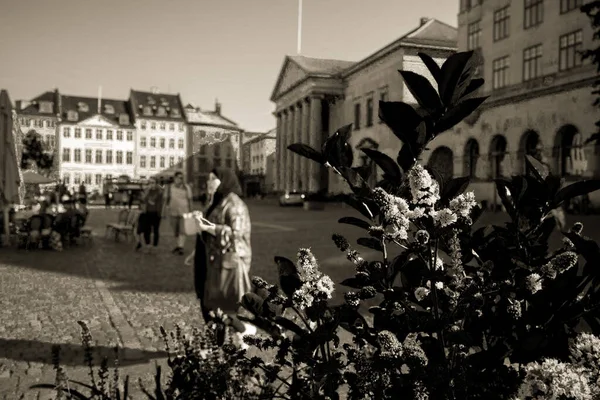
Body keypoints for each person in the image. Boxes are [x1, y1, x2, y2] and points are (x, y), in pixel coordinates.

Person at [193, 167, 256, 348]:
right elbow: (215, 224)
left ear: (224, 181)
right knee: (212, 303)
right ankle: (220, 343)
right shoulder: (217, 201)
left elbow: (236, 234)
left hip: (228, 263)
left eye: (213, 178)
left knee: (222, 305)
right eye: (209, 178)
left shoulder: (234, 204)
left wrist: (207, 228)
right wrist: (203, 224)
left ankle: (242, 331)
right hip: (213, 260)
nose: (209, 182)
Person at [162, 171, 192, 255]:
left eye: (182, 178)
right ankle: (179, 245)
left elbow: (190, 200)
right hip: (173, 212)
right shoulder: (169, 188)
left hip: (184, 212)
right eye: (179, 178)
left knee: (182, 230)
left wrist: (191, 212)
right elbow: (165, 200)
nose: (181, 179)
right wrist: (163, 212)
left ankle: (180, 247)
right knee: (175, 230)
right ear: (175, 178)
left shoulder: (187, 187)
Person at [137, 178, 163, 252]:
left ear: (156, 183)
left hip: (156, 213)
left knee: (155, 230)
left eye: (153, 182)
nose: (151, 184)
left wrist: (150, 200)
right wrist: (147, 194)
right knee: (146, 230)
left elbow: (156, 202)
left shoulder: (160, 191)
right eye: (150, 183)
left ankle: (155, 246)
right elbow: (143, 200)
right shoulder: (147, 191)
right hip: (147, 212)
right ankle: (148, 245)